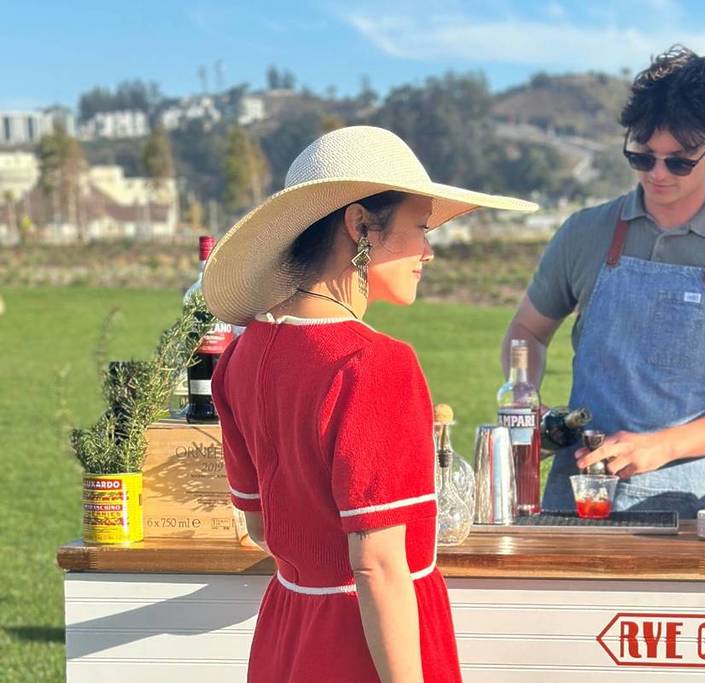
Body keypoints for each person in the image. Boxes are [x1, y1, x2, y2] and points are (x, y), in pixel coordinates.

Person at [204, 126, 536, 683]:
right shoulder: (373, 364)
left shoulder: (243, 353)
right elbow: (379, 566)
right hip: (365, 647)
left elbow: (260, 526)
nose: (428, 251)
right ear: (359, 224)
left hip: (289, 630)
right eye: (420, 228)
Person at [502, 46, 705, 518]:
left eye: (679, 161)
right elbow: (527, 331)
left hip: (694, 516)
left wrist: (661, 446)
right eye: (642, 156)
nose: (657, 174)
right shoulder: (584, 233)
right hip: (575, 502)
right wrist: (524, 395)